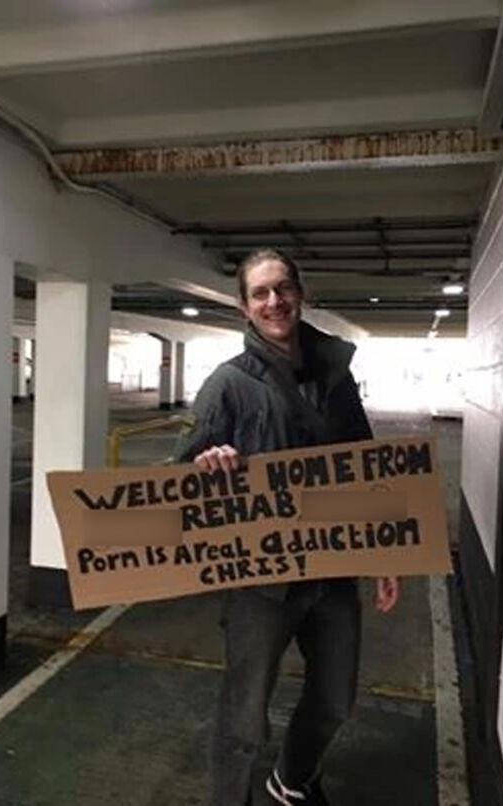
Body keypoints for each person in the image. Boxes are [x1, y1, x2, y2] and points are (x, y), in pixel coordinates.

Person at [175, 248, 399, 806]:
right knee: (244, 715)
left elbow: (364, 465)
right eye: (261, 293)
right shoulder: (227, 384)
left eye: (283, 288)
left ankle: (293, 777)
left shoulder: (336, 376)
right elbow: (180, 479)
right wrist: (207, 464)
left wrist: (384, 553)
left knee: (335, 699)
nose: (274, 301)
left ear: (300, 293)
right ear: (244, 309)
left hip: (333, 567)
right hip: (261, 581)